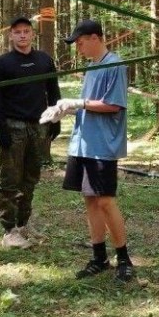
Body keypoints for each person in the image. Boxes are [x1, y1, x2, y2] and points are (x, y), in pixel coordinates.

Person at [42, 19, 135, 283]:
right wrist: (65, 109)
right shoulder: (92, 67)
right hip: (83, 143)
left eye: (81, 43)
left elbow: (113, 105)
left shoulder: (114, 64)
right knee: (90, 200)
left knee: (105, 200)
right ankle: (99, 257)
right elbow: (89, 105)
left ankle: (124, 258)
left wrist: (78, 102)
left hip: (102, 146)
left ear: (96, 38)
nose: (79, 48)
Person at [0, 14, 62, 249]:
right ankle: (8, 230)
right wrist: (1, 127)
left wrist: (56, 119)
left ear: (32, 34)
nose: (22, 35)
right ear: (11, 36)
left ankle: (23, 224)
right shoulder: (2, 64)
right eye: (17, 32)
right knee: (10, 179)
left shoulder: (44, 60)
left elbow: (53, 89)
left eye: (26, 31)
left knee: (30, 178)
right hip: (13, 127)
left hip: (39, 126)